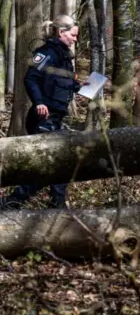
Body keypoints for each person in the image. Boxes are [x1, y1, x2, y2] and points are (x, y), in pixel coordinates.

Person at [0, 15, 85, 210]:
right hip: (42, 119)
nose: (75, 39)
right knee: (50, 167)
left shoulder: (65, 58)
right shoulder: (46, 53)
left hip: (56, 119)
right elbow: (31, 78)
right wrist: (39, 102)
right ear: (61, 32)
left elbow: (67, 84)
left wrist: (84, 86)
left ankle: (57, 205)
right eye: (73, 35)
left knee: (62, 162)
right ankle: (11, 203)